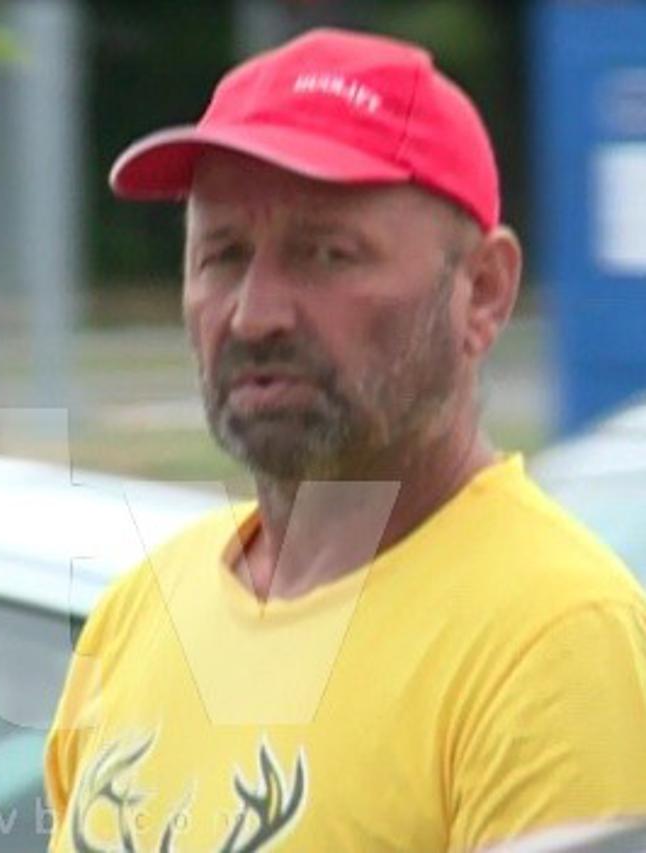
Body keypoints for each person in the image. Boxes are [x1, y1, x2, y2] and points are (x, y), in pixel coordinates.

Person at [44, 28, 646, 852]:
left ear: (483, 291)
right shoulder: (139, 611)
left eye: (327, 254)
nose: (254, 315)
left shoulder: (555, 641)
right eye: (222, 256)